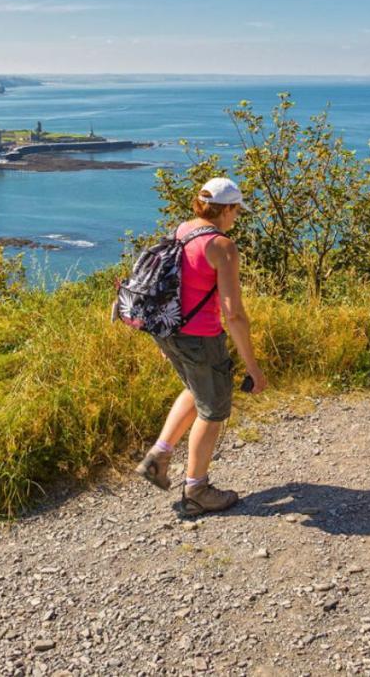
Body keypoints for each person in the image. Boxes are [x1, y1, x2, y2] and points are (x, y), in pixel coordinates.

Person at [134, 176, 267, 515]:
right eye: (236, 211)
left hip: (168, 331)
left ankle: (158, 456)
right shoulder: (222, 246)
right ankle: (196, 491)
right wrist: (253, 367)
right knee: (212, 411)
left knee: (195, 389)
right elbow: (233, 313)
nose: (236, 217)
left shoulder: (183, 230)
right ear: (229, 208)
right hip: (202, 338)